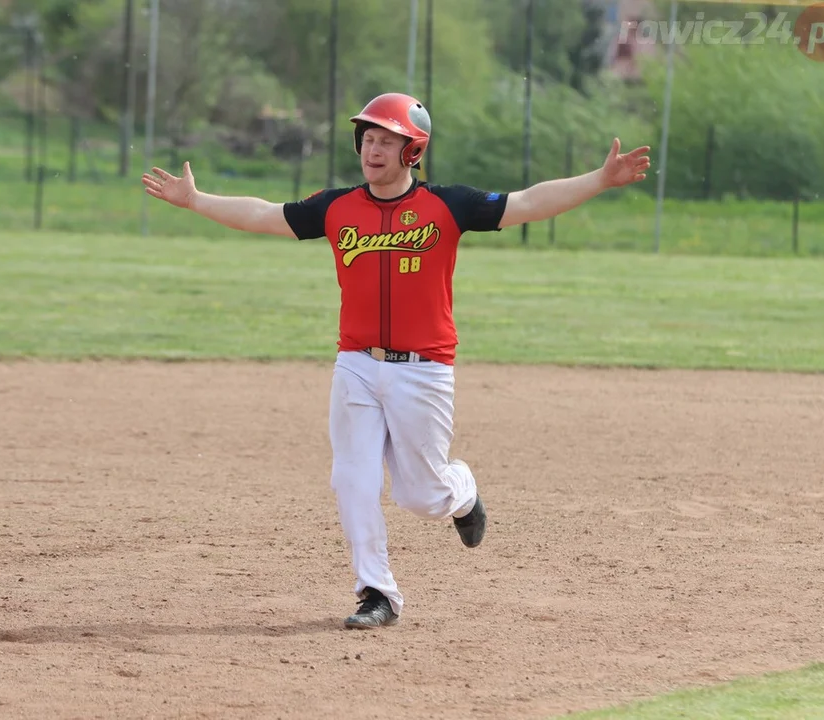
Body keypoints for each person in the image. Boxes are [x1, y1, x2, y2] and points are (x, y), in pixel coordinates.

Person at [142, 92, 651, 630]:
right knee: (352, 478)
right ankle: (377, 593)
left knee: (421, 495)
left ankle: (462, 492)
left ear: (413, 151)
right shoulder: (337, 207)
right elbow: (266, 215)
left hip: (423, 369)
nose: (374, 148)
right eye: (368, 138)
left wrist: (598, 179)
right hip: (356, 364)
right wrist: (197, 200)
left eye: (387, 140)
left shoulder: (448, 205)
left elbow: (526, 202)